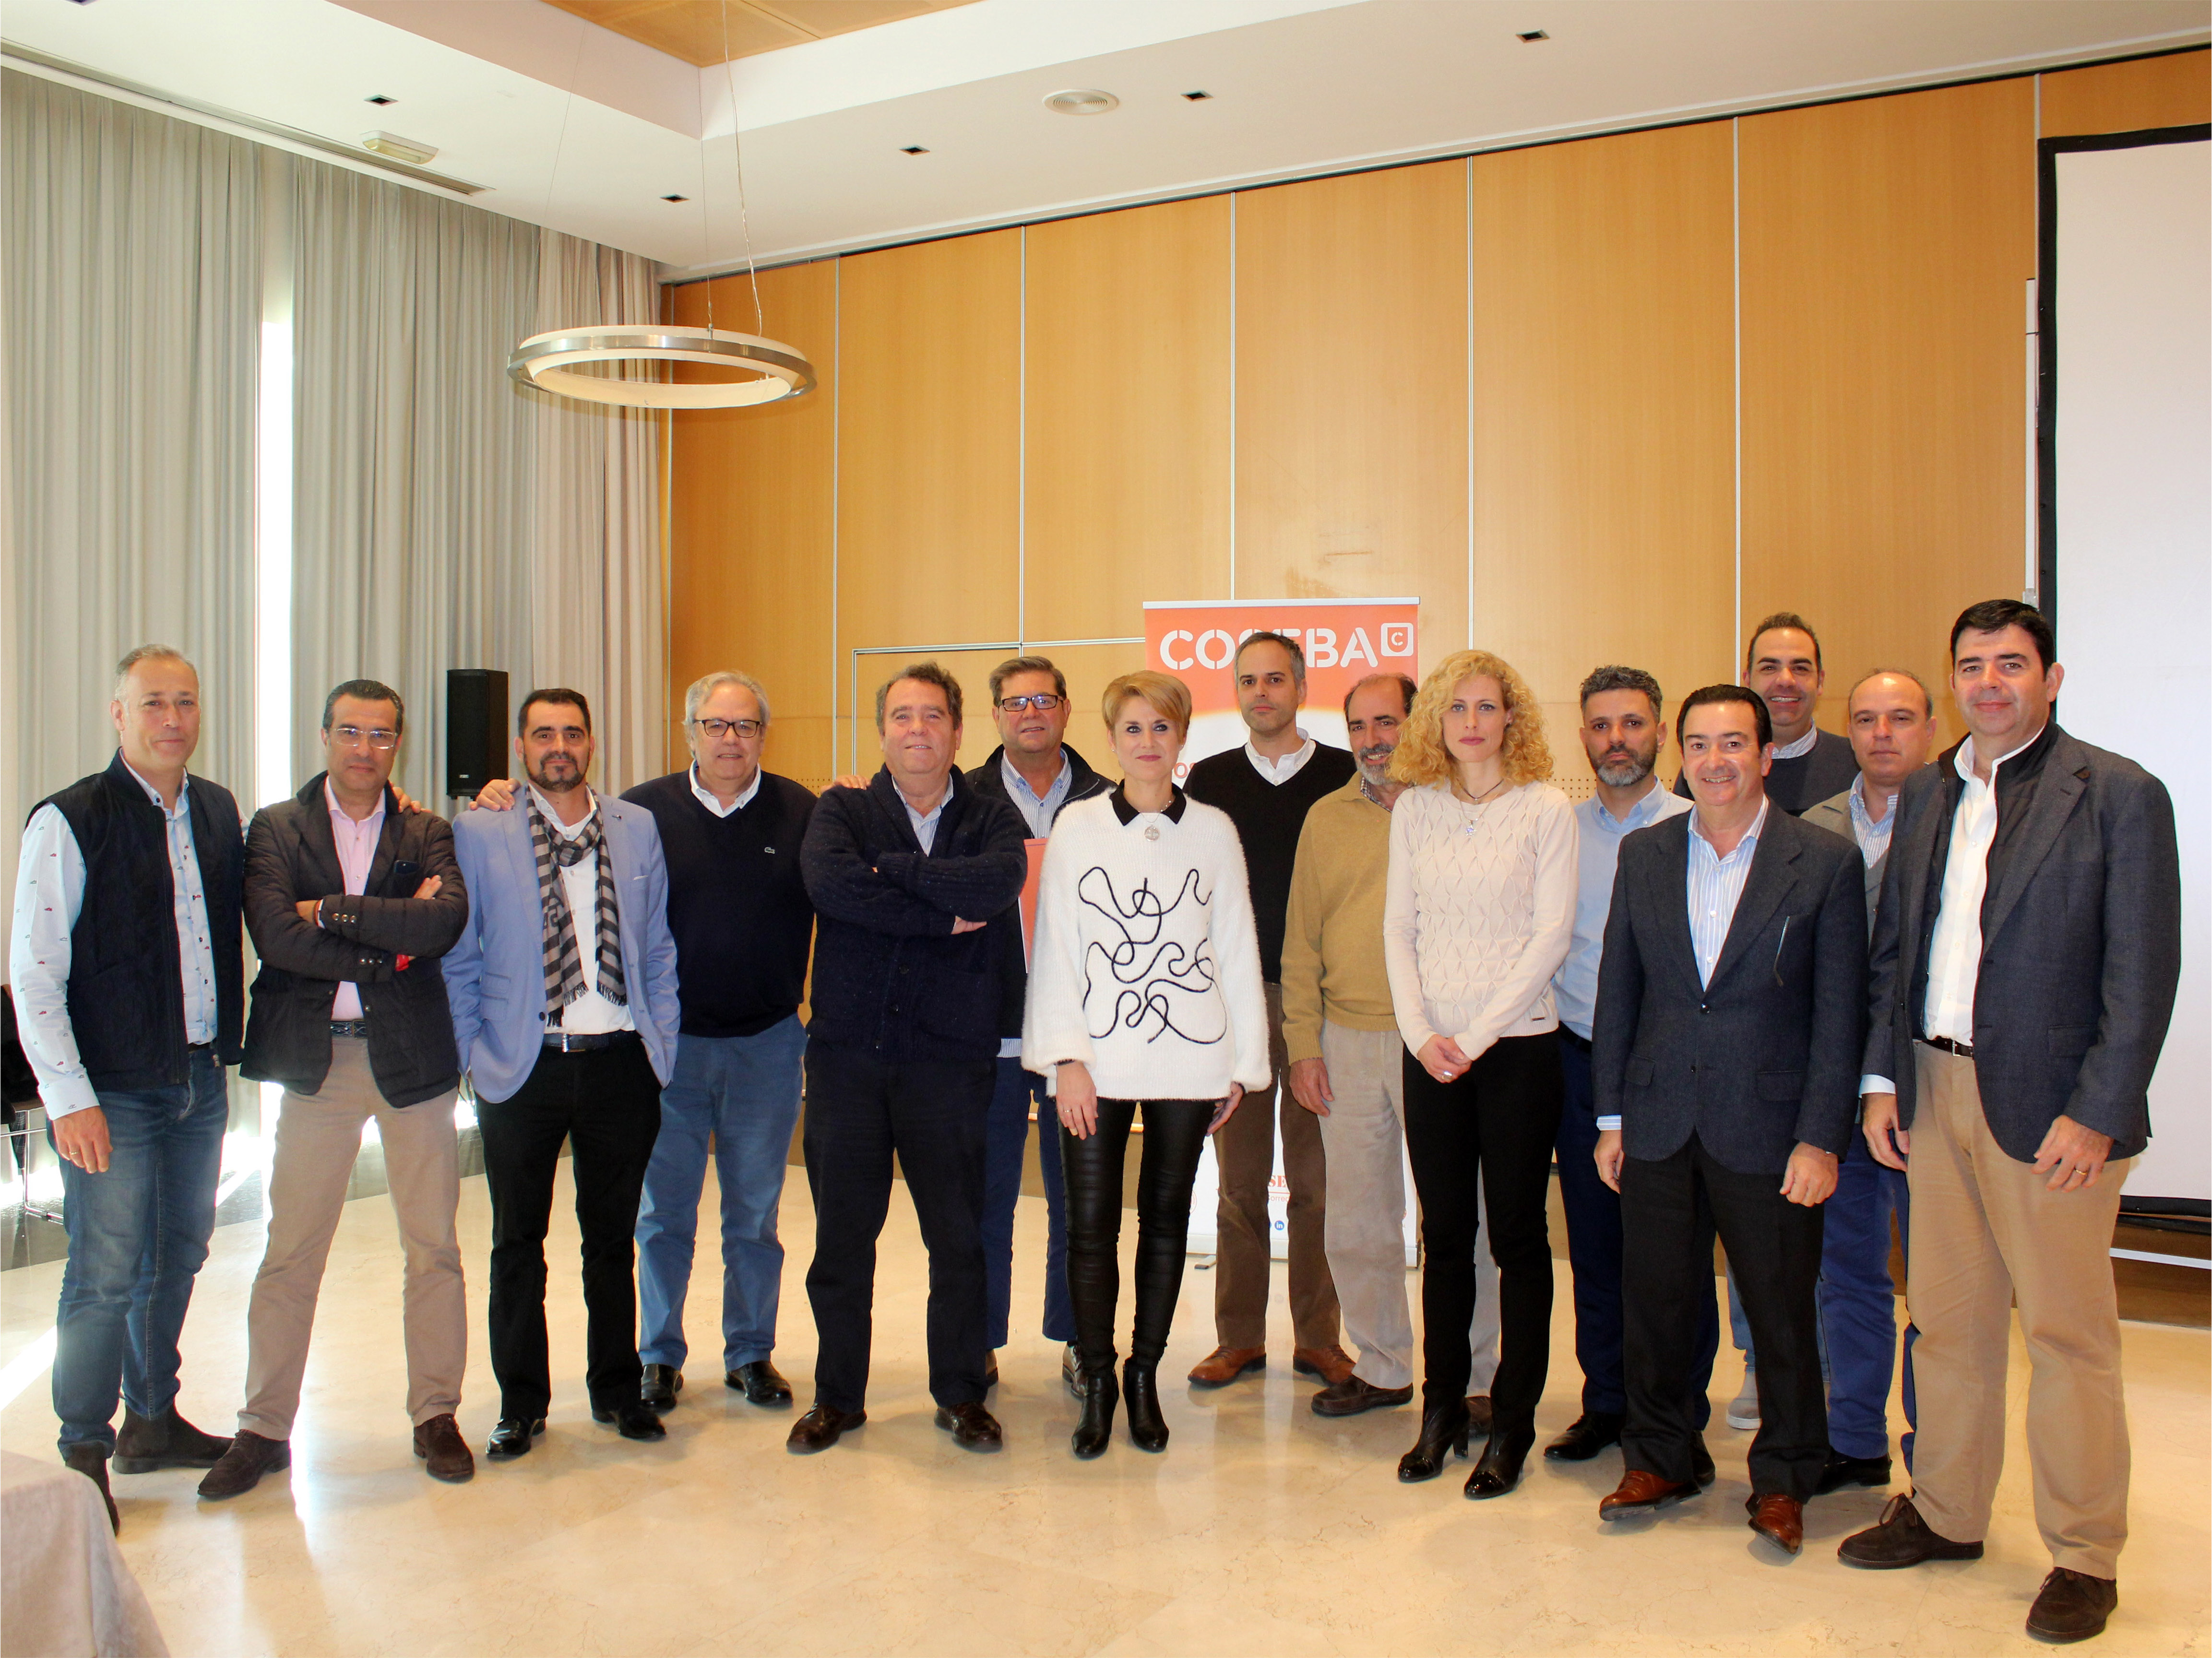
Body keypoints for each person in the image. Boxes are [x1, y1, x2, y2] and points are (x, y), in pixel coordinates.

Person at [1839, 601, 2180, 1646]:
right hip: (1933, 1089)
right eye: (1973, 665)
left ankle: (2084, 1554)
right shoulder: (1932, 790)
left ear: (2051, 678)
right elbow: (1896, 949)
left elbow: (2141, 971)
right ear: (1953, 681)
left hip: (2053, 1110)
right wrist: (1882, 1083)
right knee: (1948, 1324)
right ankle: (1947, 1512)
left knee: (2068, 1338)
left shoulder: (2117, 793)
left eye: (2011, 664)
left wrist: (2098, 1111)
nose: (1989, 683)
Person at [1593, 684, 1866, 1558]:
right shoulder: (1644, 854)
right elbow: (1619, 989)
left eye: (1734, 743)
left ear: (1765, 755)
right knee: (1656, 1307)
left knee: (1781, 1315)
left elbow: (1839, 1015)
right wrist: (1611, 1118)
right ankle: (1660, 1458)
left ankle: (1784, 1477)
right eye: (1701, 744)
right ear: (1684, 754)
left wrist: (1820, 1137)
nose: (1716, 761)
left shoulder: (1823, 861)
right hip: (1659, 1121)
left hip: (1772, 1128)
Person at [197, 680, 473, 1497]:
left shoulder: (426, 829)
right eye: (350, 731)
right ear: (324, 735)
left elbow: (444, 923)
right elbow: (277, 938)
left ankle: (436, 1414)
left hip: (412, 1062)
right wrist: (391, 940)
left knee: (433, 1248)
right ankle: (263, 1427)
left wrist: (333, 912)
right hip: (317, 1065)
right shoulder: (275, 827)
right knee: (291, 1251)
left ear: (398, 744)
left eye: (380, 734)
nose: (364, 748)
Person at [9, 646, 243, 1528]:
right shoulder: (70, 820)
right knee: (104, 1272)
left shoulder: (216, 809)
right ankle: (83, 1450)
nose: (172, 719)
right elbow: (34, 974)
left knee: (178, 1255)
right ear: (118, 714)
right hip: (111, 1091)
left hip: (198, 1078)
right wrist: (68, 1098)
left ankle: (152, 1419)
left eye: (185, 701)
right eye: (153, 703)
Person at [1023, 671, 1269, 1456]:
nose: (1147, 742)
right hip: (1095, 1064)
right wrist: (1065, 1058)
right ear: (1111, 739)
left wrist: (1241, 1065)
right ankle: (1097, 1379)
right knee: (1089, 1228)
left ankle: (1141, 1377)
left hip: (1189, 1062)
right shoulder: (1079, 827)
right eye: (1132, 728)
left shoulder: (1215, 831)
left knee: (1164, 1224)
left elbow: (1235, 948)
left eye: (1161, 727)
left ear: (1182, 737)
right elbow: (1057, 949)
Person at [790, 663, 1028, 1454]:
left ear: (957, 730)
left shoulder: (991, 816)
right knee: (841, 1242)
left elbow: (994, 884)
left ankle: (960, 1394)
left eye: (932, 716)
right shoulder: (843, 809)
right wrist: (937, 913)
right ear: (882, 730)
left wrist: (892, 870)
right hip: (847, 1062)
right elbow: (832, 888)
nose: (917, 729)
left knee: (957, 1240)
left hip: (950, 1066)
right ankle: (837, 1397)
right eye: (902, 716)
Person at [445, 688, 682, 1460]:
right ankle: (522, 1405)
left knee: (611, 1242)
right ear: (521, 747)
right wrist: (471, 1056)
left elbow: (657, 947)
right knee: (517, 1244)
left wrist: (659, 1047)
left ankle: (616, 1391)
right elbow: (461, 955)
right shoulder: (480, 830)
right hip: (524, 1067)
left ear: (591, 743)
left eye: (572, 733)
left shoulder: (634, 826)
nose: (559, 746)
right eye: (543, 734)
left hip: (619, 1062)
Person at [1284, 673, 1503, 1426]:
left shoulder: (1458, 808)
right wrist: (1302, 1044)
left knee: (1462, 1220)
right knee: (1355, 1221)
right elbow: (1300, 942)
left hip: (1440, 1043)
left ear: (1419, 723)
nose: (1374, 740)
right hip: (1345, 1042)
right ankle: (1380, 1367)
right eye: (1358, 726)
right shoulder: (1325, 819)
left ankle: (1476, 1378)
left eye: (1387, 722)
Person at [1382, 650, 1576, 1500]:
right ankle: (1441, 1411)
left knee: (1518, 1239)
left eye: (1487, 707)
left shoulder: (1545, 808)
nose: (1471, 722)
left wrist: (1475, 1036)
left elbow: (1550, 937)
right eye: (1456, 707)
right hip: (1430, 1055)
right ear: (1436, 719)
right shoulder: (1415, 808)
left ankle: (1513, 1420)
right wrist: (1422, 1034)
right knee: (1444, 1237)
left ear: (1511, 719)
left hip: (1518, 1050)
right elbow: (1398, 929)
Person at [1543, 666, 1719, 1465]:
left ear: (1660, 732)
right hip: (1579, 1063)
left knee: (1676, 1255)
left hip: (1671, 1075)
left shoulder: (1696, 824)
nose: (1617, 740)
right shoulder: (1559, 830)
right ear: (1583, 735)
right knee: (1594, 1248)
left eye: (1633, 723)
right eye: (1601, 725)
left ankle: (1679, 1410)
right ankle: (1607, 1402)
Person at [1182, 631, 1356, 1389]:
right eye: (1249, 680)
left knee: (1319, 1184)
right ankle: (1239, 1339)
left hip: (1321, 1000)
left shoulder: (1344, 775)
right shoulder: (1209, 780)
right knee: (1239, 1185)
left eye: (1275, 679)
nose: (1261, 693)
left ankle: (1319, 1338)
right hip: (1237, 1001)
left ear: (1302, 687)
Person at [1800, 668, 1938, 1493]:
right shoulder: (1812, 828)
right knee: (1847, 1275)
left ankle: (1936, 1464)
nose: (1882, 734)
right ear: (1845, 729)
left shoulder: (1966, 819)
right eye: (1865, 719)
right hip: (1838, 1093)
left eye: (1900, 718)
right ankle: (1854, 1441)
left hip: (1931, 1095)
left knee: (1938, 1293)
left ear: (1930, 728)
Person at [963, 655, 1108, 1395]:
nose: (1030, 714)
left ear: (1065, 709)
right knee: (983, 1198)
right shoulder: (961, 799)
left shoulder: (1109, 799)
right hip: (985, 1034)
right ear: (995, 715)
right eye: (1015, 703)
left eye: (1043, 700)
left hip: (1079, 1042)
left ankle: (1078, 1338)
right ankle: (978, 1341)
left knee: (1080, 1202)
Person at [1675, 612, 1858, 815]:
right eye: (1770, 668)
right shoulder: (1710, 771)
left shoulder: (1856, 764)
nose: (1786, 681)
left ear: (1820, 681)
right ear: (1747, 680)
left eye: (1800, 668)